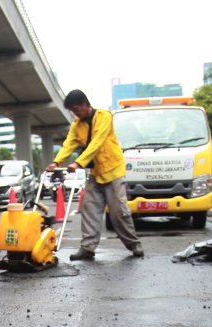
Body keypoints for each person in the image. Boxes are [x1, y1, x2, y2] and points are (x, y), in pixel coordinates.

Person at [46, 90, 143, 261]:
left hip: (113, 171)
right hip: (96, 173)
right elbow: (68, 144)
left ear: (85, 104)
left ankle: (134, 244)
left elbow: (97, 143)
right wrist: (56, 162)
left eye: (76, 109)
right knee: (89, 210)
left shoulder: (104, 117)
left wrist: (78, 163)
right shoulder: (77, 125)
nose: (75, 113)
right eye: (72, 110)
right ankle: (88, 248)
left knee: (118, 212)